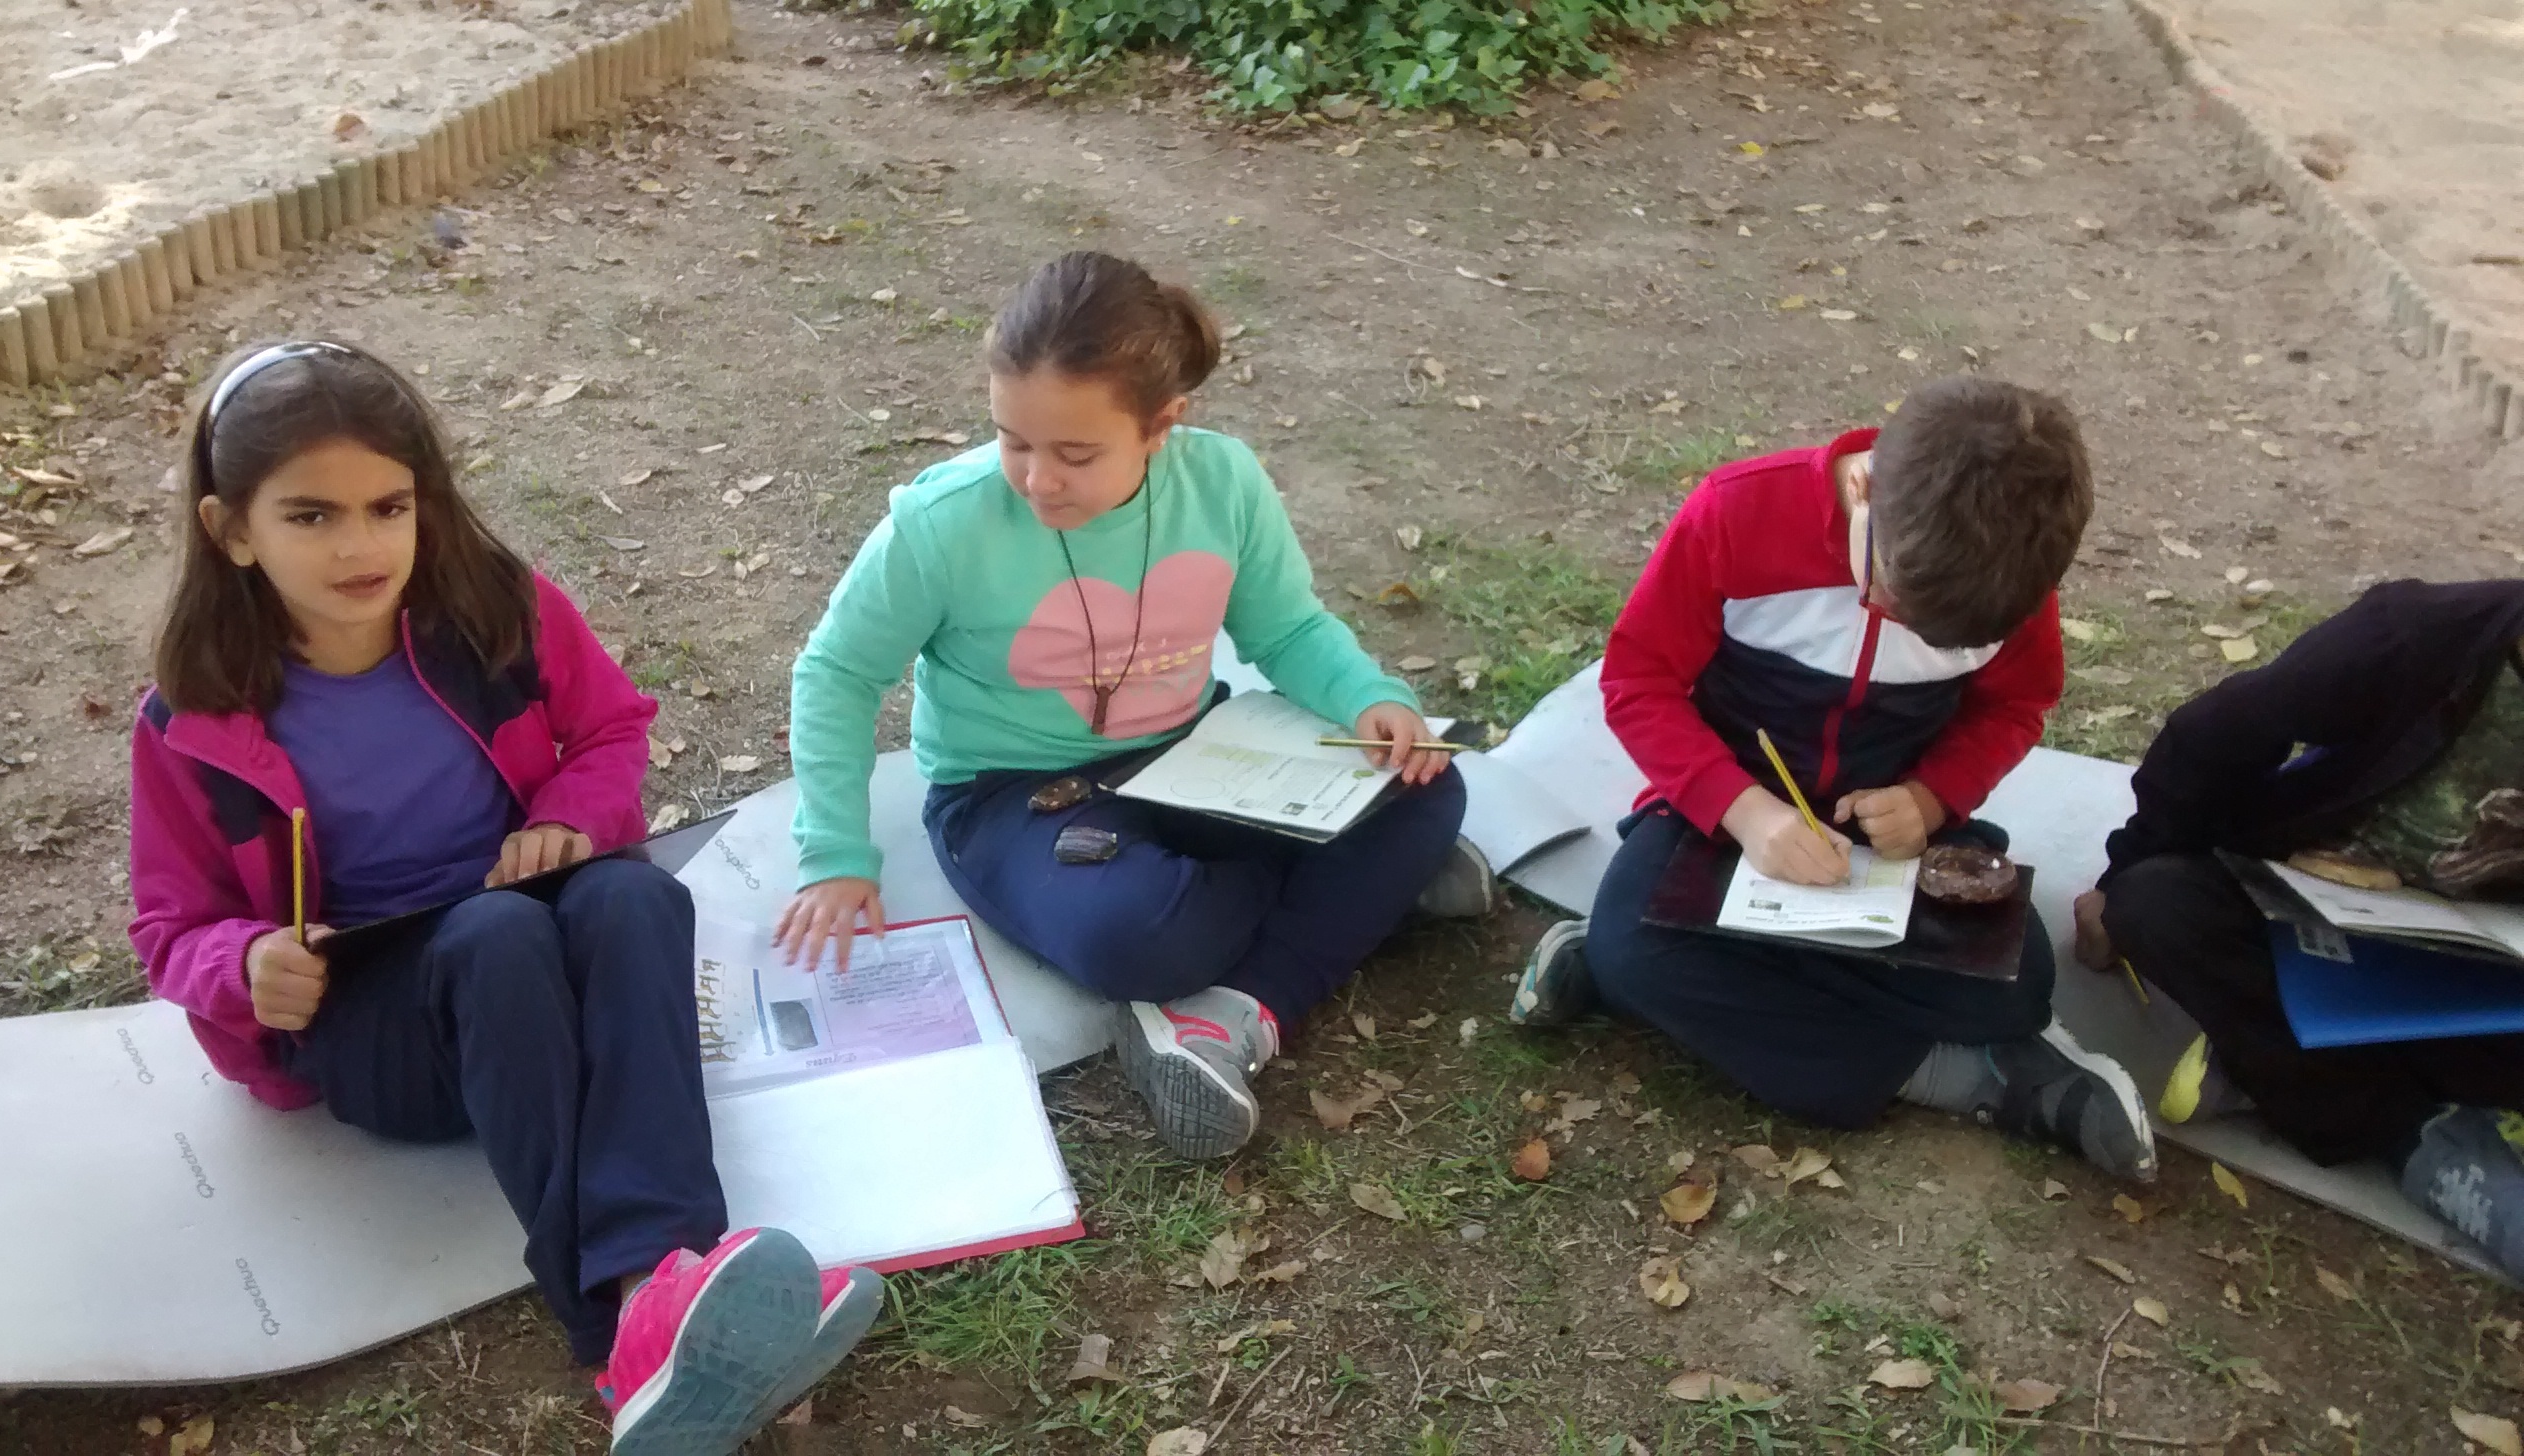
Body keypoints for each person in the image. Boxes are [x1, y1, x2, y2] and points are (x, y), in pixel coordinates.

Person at [127, 341, 878, 1455]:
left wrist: (569, 817)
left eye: (388, 506)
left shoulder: (497, 612)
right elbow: (168, 925)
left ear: (425, 502)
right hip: (377, 1017)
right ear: (232, 529)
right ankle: (619, 1324)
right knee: (495, 936)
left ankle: (663, 1298)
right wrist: (242, 964)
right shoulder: (194, 718)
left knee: (633, 901)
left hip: (532, 933)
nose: (360, 545)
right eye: (311, 515)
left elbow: (613, 728)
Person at [778, 252, 1489, 1161]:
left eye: (1076, 454)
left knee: (1427, 784)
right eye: (1012, 440)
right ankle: (1352, 891)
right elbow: (836, 672)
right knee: (1139, 940)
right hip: (1013, 798)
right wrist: (835, 853)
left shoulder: (1223, 481)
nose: (1038, 479)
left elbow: (1287, 628)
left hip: (1195, 754)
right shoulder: (943, 522)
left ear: (1162, 426)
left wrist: (1369, 697)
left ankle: (1238, 1007)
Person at [1507, 378, 2157, 1182]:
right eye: (1892, 595)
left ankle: (1645, 974)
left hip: (1894, 830)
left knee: (2017, 985)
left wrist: (1929, 799)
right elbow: (1638, 680)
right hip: (1728, 814)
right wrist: (1745, 812)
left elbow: (2017, 704)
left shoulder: (2008, 572)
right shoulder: (1735, 514)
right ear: (1864, 486)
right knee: (1639, 949)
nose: (1891, 621)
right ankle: (1976, 1077)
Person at [2077, 578, 2524, 1279]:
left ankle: (2266, 1065)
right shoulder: (2422, 635)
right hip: (2310, 913)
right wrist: (2118, 876)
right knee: (2154, 904)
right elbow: (2214, 735)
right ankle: (2412, 1133)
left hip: (2486, 963)